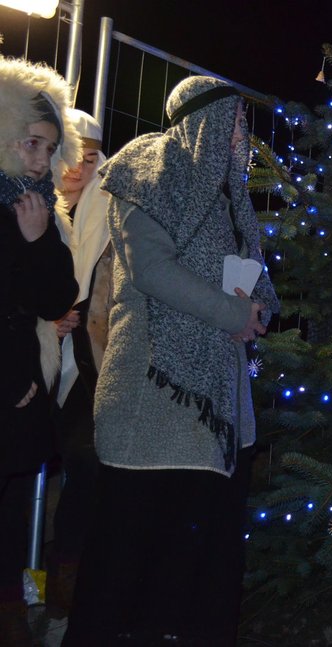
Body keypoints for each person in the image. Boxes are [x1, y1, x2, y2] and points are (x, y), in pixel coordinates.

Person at [62, 76, 279, 646]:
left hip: (216, 411)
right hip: (153, 401)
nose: (243, 137)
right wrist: (234, 316)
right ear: (206, 123)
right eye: (235, 122)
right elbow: (152, 272)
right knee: (127, 555)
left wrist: (254, 309)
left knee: (197, 559)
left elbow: (243, 276)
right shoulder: (146, 172)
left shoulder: (232, 200)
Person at [0, 56, 80, 647]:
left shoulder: (37, 207)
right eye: (31, 143)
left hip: (17, 389)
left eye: (50, 148)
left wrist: (35, 240)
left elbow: (56, 295)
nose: (41, 159)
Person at [44, 108, 113, 623]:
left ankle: (67, 581)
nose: (77, 168)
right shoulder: (31, 205)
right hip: (33, 361)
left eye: (88, 157)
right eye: (70, 155)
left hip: (84, 366)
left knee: (85, 463)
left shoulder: (106, 209)